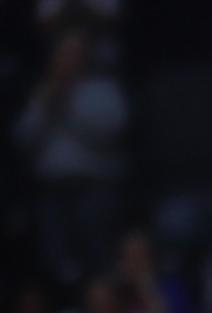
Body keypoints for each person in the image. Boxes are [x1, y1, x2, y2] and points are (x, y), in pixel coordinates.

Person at [12, 26, 125, 283]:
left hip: (93, 185)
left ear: (85, 56)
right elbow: (24, 137)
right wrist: (49, 102)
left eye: (73, 53)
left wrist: (70, 100)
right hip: (52, 188)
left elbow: (108, 132)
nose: (67, 60)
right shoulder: (43, 92)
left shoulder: (100, 89)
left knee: (95, 252)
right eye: (63, 54)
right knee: (55, 257)